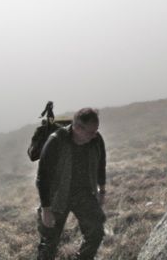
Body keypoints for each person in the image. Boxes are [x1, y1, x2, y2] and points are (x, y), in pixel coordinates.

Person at [36, 107, 106, 260]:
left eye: (96, 131)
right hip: (57, 197)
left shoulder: (96, 140)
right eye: (90, 132)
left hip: (84, 194)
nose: (94, 135)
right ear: (78, 128)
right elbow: (42, 177)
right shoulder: (56, 141)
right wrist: (46, 210)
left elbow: (101, 165)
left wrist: (102, 191)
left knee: (96, 232)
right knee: (49, 243)